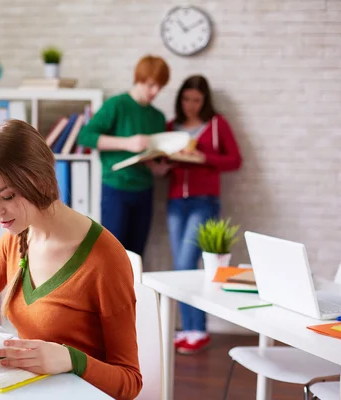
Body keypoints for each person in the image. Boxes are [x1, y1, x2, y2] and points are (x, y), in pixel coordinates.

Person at [0, 119, 142, 400]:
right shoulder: (16, 238)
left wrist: (70, 359)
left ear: (39, 179)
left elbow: (129, 382)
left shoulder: (106, 260)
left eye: (7, 196)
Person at [165, 75, 242, 354]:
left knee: (186, 262)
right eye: (186, 99)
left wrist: (203, 159)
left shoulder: (217, 124)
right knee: (180, 267)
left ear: (205, 100)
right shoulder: (171, 126)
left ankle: (198, 329)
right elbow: (165, 161)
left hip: (204, 202)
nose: (191, 105)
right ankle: (189, 328)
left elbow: (234, 160)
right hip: (175, 201)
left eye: (197, 100)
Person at [77, 55, 170, 257]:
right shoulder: (117, 105)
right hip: (116, 189)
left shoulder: (157, 116)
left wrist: (155, 167)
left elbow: (148, 155)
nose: (155, 92)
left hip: (145, 190)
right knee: (113, 253)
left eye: (159, 87)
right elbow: (85, 136)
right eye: (151, 85)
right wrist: (127, 143)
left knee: (136, 255)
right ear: (139, 78)